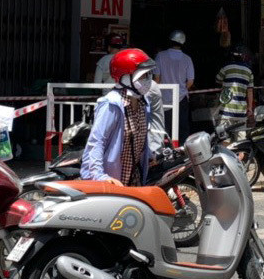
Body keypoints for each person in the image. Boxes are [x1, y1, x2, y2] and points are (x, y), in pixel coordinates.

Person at [82, 48, 155, 186]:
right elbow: (96, 142)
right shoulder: (111, 104)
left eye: (149, 75)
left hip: (134, 177)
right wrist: (99, 176)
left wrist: (149, 156)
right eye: (143, 76)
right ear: (126, 77)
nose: (148, 80)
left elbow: (139, 140)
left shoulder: (143, 103)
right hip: (111, 182)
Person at [155, 30, 194, 145]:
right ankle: (182, 153)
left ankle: (166, 153)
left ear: (170, 41)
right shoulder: (187, 59)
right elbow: (190, 82)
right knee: (182, 128)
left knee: (165, 129)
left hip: (164, 99)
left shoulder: (160, 56)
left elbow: (157, 79)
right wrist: (182, 88)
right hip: (181, 98)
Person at [215, 45, 254, 126]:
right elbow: (250, 91)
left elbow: (218, 80)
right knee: (241, 137)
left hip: (226, 110)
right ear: (243, 56)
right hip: (241, 111)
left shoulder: (226, 67)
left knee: (224, 137)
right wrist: (250, 108)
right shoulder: (249, 71)